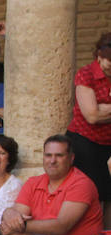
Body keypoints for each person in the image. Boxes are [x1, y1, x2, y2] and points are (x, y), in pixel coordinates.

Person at [66, 32, 111, 224]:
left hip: (108, 144)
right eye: (108, 61)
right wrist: (97, 111)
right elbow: (91, 115)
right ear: (99, 56)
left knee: (109, 195)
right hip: (85, 142)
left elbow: (97, 111)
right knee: (90, 194)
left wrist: (104, 110)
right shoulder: (87, 74)